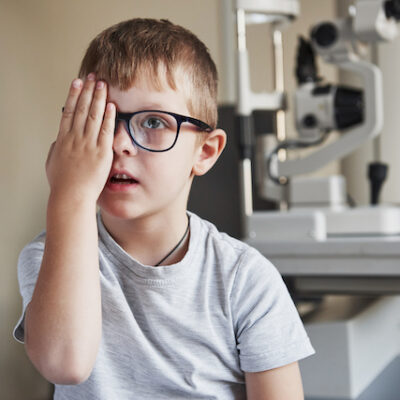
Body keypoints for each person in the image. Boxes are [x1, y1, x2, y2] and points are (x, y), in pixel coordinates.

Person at [13, 17, 314, 399]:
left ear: (205, 152)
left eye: (153, 121)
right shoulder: (46, 257)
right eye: (101, 120)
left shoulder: (245, 280)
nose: (120, 143)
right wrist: (69, 194)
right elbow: (65, 364)